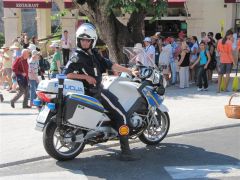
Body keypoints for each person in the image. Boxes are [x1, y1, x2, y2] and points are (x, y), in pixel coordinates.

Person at [63, 23, 138, 161]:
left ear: (92, 41)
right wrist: (85, 77)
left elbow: (111, 65)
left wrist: (130, 70)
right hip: (95, 92)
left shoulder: (94, 54)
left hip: (97, 89)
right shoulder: (77, 56)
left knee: (114, 108)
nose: (85, 42)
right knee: (122, 115)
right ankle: (126, 152)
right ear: (79, 40)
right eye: (82, 40)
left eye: (87, 40)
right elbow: (66, 74)